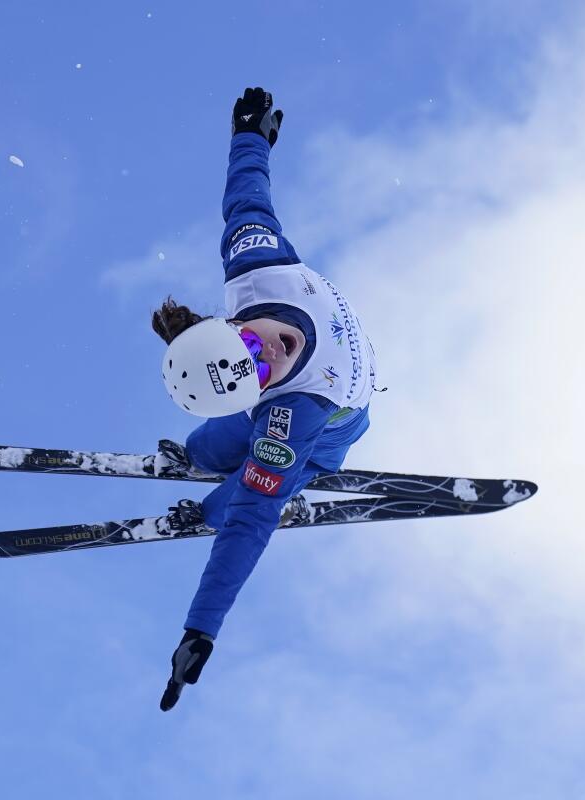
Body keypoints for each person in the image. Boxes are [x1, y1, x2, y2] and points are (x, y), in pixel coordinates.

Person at [153, 87, 378, 711]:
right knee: (210, 447)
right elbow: (247, 197)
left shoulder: (255, 271)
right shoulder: (272, 401)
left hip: (332, 425)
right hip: (277, 417)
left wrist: (248, 134)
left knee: (244, 495)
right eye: (253, 371)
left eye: (250, 347)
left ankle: (207, 504)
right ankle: (205, 450)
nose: (267, 355)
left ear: (225, 324)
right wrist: (200, 632)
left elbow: (246, 196)